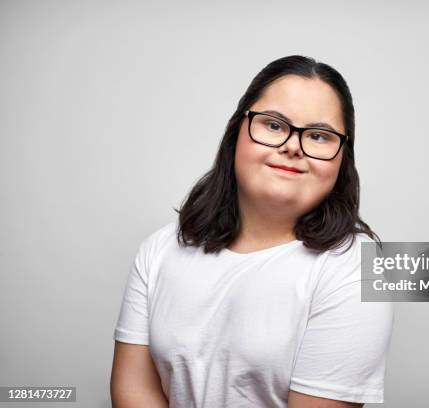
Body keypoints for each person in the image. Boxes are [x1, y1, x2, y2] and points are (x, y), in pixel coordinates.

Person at [110, 55, 394, 408]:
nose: (292, 146)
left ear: (342, 159)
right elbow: (134, 393)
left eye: (319, 135)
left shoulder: (359, 268)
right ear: (236, 133)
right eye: (274, 125)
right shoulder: (159, 249)